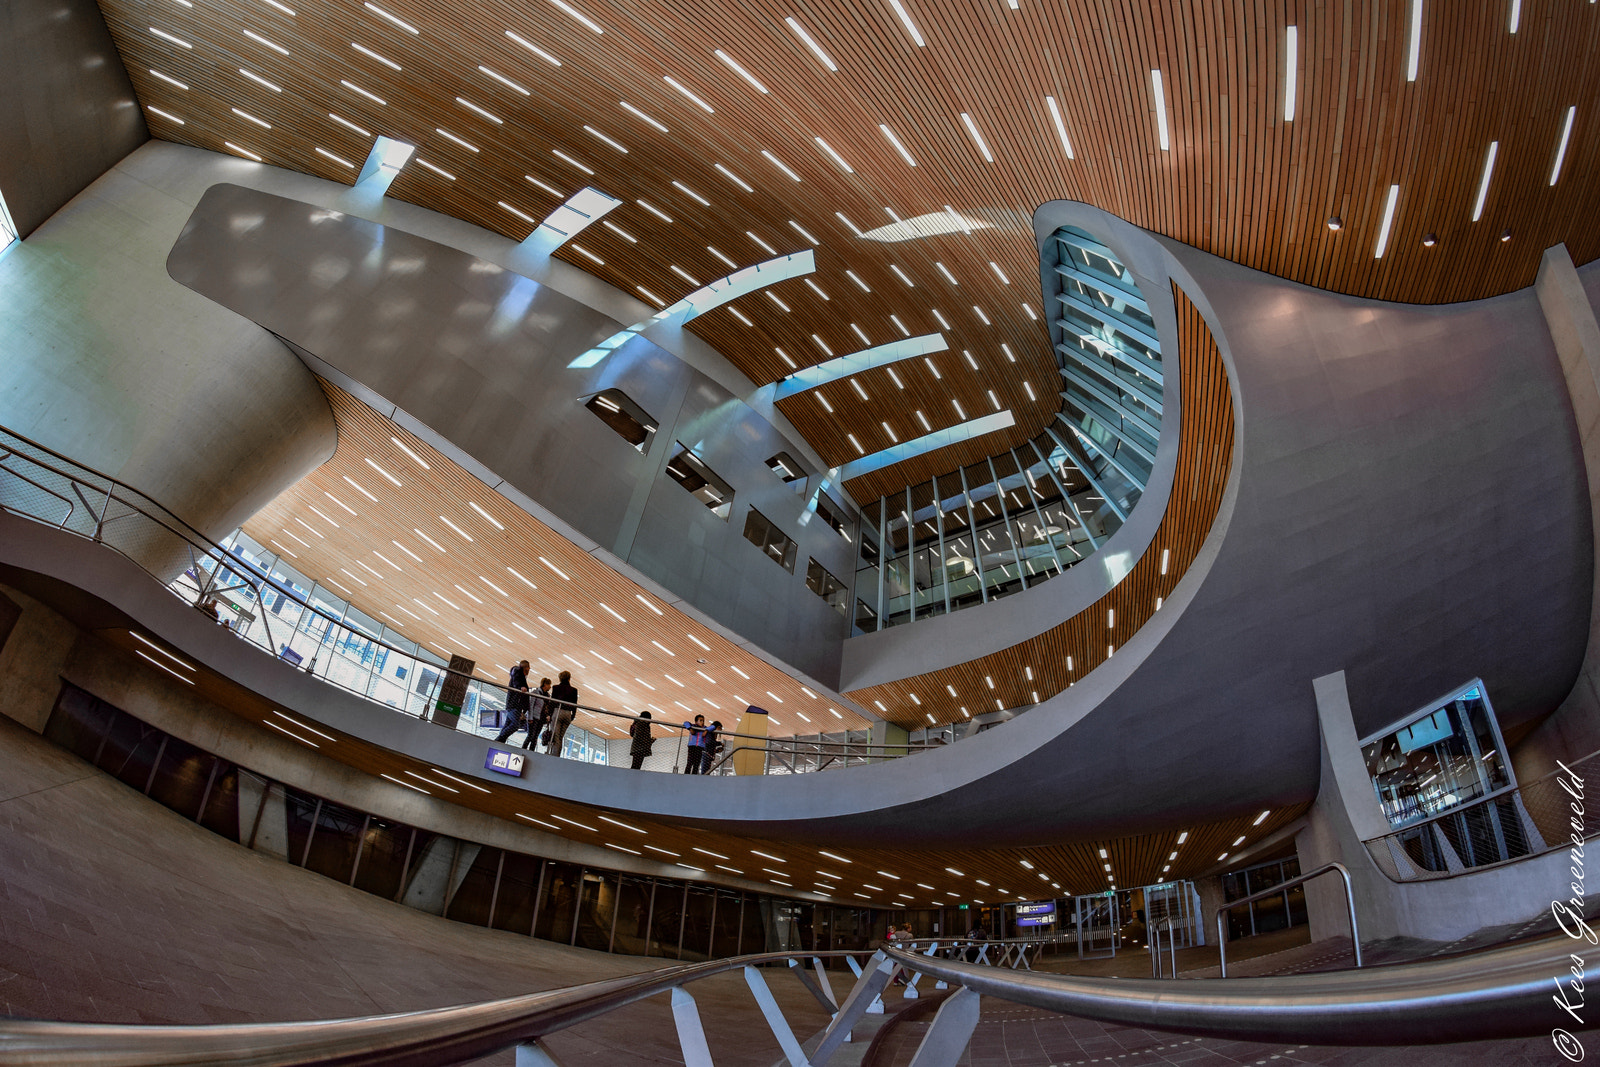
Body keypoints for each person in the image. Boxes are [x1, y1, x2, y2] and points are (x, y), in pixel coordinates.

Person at [494, 660, 532, 744]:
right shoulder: (518, 674)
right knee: (515, 725)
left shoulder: (519, 676)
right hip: (514, 705)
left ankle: (500, 741)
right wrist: (521, 687)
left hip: (514, 705)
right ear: (526, 668)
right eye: (528, 668)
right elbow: (517, 683)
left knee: (508, 724)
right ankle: (499, 739)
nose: (529, 670)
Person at [546, 670, 578, 756]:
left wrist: (549, 714)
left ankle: (554, 756)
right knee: (560, 737)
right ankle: (557, 755)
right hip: (568, 714)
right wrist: (572, 716)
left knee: (556, 737)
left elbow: (552, 702)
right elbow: (575, 704)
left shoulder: (556, 688)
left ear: (560, 678)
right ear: (569, 679)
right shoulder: (574, 690)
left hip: (557, 712)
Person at [523, 677, 552, 751]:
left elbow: (547, 708)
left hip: (541, 719)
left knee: (535, 737)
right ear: (545, 684)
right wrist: (530, 718)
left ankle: (531, 751)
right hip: (534, 718)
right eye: (549, 685)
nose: (550, 687)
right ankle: (523, 750)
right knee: (530, 736)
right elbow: (531, 706)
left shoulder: (548, 696)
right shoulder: (535, 692)